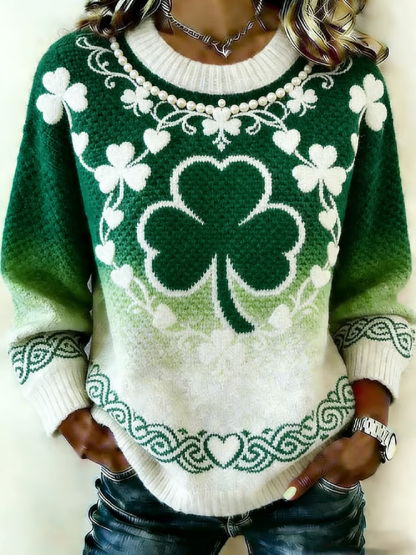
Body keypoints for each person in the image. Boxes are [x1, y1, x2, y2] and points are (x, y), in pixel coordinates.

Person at [1, 0, 414, 552]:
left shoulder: (343, 78)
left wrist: (371, 429)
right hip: (140, 470)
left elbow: (374, 282)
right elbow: (40, 275)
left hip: (315, 472)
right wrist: (69, 413)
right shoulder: (78, 76)